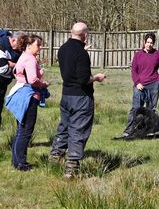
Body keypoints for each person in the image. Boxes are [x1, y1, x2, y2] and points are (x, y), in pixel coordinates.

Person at [49, 22, 105, 178]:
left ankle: (54, 158)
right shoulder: (81, 54)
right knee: (78, 130)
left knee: (65, 127)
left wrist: (82, 51)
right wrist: (96, 78)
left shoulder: (62, 49)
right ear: (85, 35)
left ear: (71, 32)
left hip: (66, 96)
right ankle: (71, 168)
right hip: (81, 98)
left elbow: (71, 66)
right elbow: (83, 79)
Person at [6, 34, 49, 171]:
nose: (40, 48)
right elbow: (32, 80)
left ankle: (16, 161)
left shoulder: (23, 57)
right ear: (29, 46)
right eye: (38, 45)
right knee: (25, 131)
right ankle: (21, 163)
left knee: (20, 130)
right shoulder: (30, 59)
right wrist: (43, 84)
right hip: (28, 96)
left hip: (21, 93)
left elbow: (17, 72)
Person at [123, 33, 159, 137]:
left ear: (154, 43)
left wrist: (158, 81)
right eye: (147, 42)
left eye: (151, 43)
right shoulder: (138, 55)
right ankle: (129, 130)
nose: (149, 44)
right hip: (140, 85)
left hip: (153, 85)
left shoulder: (157, 54)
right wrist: (137, 82)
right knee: (136, 108)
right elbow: (134, 70)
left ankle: (148, 130)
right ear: (144, 42)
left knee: (151, 109)